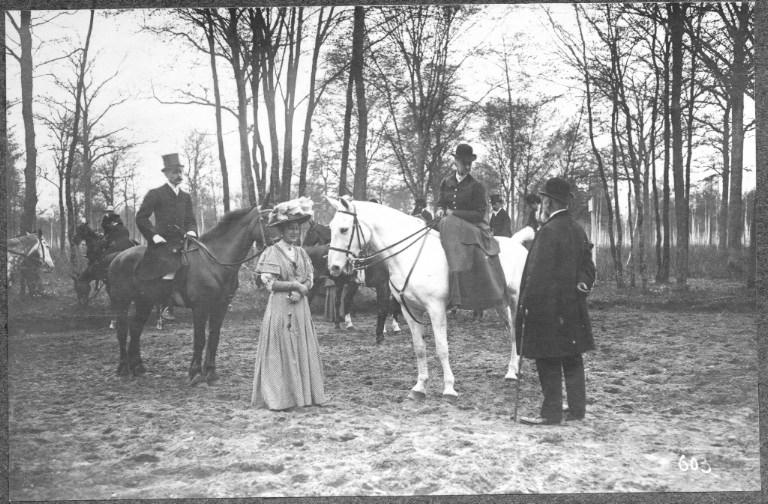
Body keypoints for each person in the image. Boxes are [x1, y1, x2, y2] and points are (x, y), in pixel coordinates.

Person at [516, 177, 596, 426]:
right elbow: (588, 267)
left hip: (548, 308)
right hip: (572, 308)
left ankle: (550, 413)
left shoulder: (548, 231)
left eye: (542, 201)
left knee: (547, 358)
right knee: (572, 356)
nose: (540, 205)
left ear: (549, 203)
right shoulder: (576, 228)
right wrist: (583, 283)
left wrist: (526, 304)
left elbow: (537, 274)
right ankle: (576, 409)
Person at [251, 198, 325, 410]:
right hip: (281, 308)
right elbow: (269, 282)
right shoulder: (272, 252)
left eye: (297, 229)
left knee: (301, 348)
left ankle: (303, 395)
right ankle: (281, 398)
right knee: (281, 349)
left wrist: (302, 290)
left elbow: (310, 278)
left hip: (300, 308)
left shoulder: (301, 252)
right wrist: (294, 286)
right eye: (290, 229)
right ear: (281, 231)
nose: (294, 233)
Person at [436, 144, 507, 311]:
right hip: (450, 225)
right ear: (456, 162)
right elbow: (441, 203)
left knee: (447, 223)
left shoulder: (476, 186)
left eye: (469, 163)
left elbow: (479, 213)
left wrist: (453, 213)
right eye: (464, 163)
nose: (467, 167)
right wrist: (439, 210)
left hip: (472, 225)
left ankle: (458, 294)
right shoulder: (446, 182)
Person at [135, 153, 198, 319]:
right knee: (170, 267)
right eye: (174, 172)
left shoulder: (185, 196)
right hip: (163, 242)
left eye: (180, 172)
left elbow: (190, 219)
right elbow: (141, 218)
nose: (178, 175)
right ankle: (165, 306)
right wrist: (154, 236)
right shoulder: (156, 194)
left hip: (184, 240)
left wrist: (192, 231)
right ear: (166, 174)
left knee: (200, 261)